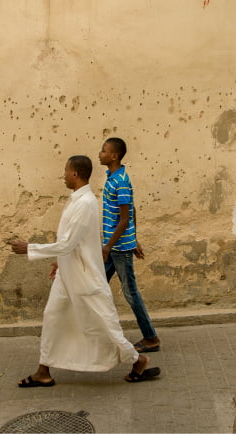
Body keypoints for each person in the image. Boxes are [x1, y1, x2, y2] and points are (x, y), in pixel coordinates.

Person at [10, 155, 160, 387]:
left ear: (75, 174)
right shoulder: (77, 200)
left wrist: (29, 248)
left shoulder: (85, 203)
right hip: (67, 274)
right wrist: (60, 262)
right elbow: (71, 241)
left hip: (83, 276)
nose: (63, 175)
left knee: (101, 322)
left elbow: (67, 243)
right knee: (53, 316)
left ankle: (137, 360)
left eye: (65, 171)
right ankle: (43, 371)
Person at [98, 138, 161, 353]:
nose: (100, 153)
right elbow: (130, 210)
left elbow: (125, 218)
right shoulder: (112, 177)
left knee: (130, 292)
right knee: (96, 285)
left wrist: (109, 246)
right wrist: (132, 239)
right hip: (114, 246)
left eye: (104, 151)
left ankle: (151, 337)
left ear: (114, 156)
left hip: (118, 249)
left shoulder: (121, 181)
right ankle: (95, 333)